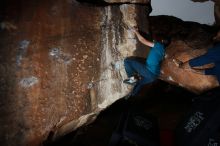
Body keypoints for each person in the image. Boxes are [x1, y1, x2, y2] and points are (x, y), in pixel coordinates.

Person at [123, 27, 169, 97]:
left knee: (127, 61)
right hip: (154, 77)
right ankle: (132, 95)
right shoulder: (163, 50)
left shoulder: (158, 46)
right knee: (140, 83)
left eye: (158, 38)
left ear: (162, 40)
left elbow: (142, 40)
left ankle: (132, 79)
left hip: (149, 72)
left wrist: (136, 31)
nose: (156, 39)